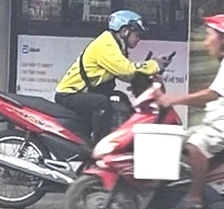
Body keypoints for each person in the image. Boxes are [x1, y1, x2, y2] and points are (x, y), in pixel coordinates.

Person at [158, 14, 224, 209]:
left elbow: (212, 94)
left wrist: (173, 99)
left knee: (195, 145)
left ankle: (194, 199)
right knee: (182, 140)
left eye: (209, 36)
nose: (206, 42)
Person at [54, 10, 164, 140]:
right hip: (70, 94)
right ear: (124, 31)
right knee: (102, 103)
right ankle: (100, 145)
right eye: (137, 34)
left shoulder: (116, 45)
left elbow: (124, 75)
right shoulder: (106, 44)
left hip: (86, 92)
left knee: (120, 97)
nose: (138, 38)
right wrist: (154, 65)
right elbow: (125, 69)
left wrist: (144, 76)